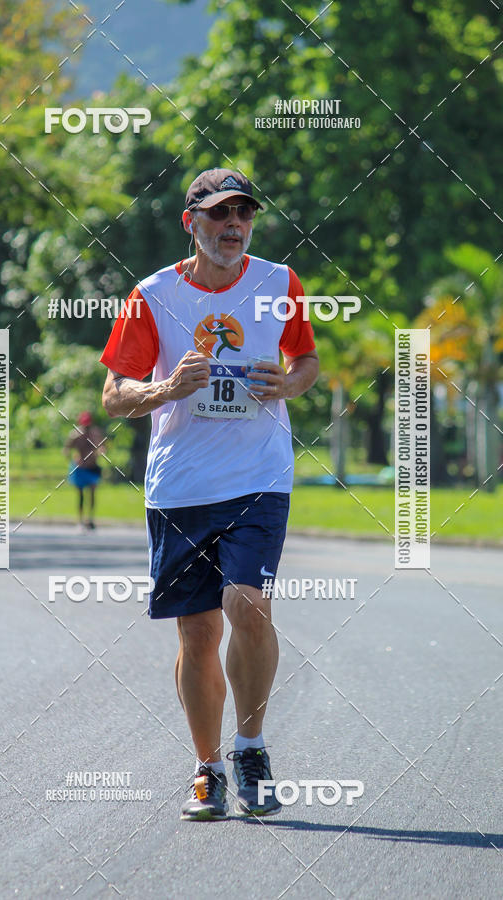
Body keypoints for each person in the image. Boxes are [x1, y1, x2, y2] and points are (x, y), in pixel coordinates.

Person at [100, 168, 319, 820]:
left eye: (243, 214)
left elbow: (306, 362)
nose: (234, 226)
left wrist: (286, 385)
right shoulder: (153, 295)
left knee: (247, 604)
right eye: (220, 214)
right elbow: (114, 396)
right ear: (191, 222)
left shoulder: (279, 283)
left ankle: (250, 747)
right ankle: (209, 768)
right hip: (181, 486)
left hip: (258, 478)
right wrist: (164, 389)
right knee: (197, 635)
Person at [65, 411, 106, 530]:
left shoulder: (95, 434)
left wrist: (101, 452)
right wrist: (72, 459)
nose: (86, 428)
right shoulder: (75, 434)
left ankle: (91, 519)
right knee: (81, 495)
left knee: (92, 493)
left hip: (92, 467)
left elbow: (102, 446)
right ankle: (80, 520)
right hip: (80, 468)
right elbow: (67, 449)